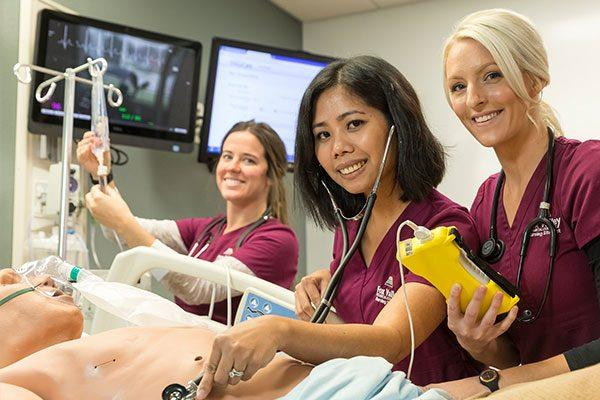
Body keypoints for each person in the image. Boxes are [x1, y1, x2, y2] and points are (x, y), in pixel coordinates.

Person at [190, 55, 484, 399]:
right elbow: (354, 340)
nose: (338, 148)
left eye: (355, 124)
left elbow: (389, 342)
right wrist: (321, 305)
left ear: (397, 125)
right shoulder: (350, 228)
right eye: (323, 135)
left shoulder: (444, 228)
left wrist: (279, 330)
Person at [442, 6, 600, 383]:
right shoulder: (485, 204)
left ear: (534, 80)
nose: (474, 99)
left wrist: (505, 382)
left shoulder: (586, 172)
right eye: (458, 87)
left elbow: (516, 375)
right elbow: (514, 358)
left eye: (492, 75)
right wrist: (480, 344)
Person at [76, 120, 298, 324]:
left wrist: (124, 223)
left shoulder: (277, 240)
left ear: (272, 174)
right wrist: (102, 174)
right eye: (227, 156)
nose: (233, 167)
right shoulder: (209, 229)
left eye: (248, 160)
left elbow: (196, 290)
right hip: (186, 346)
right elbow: (119, 231)